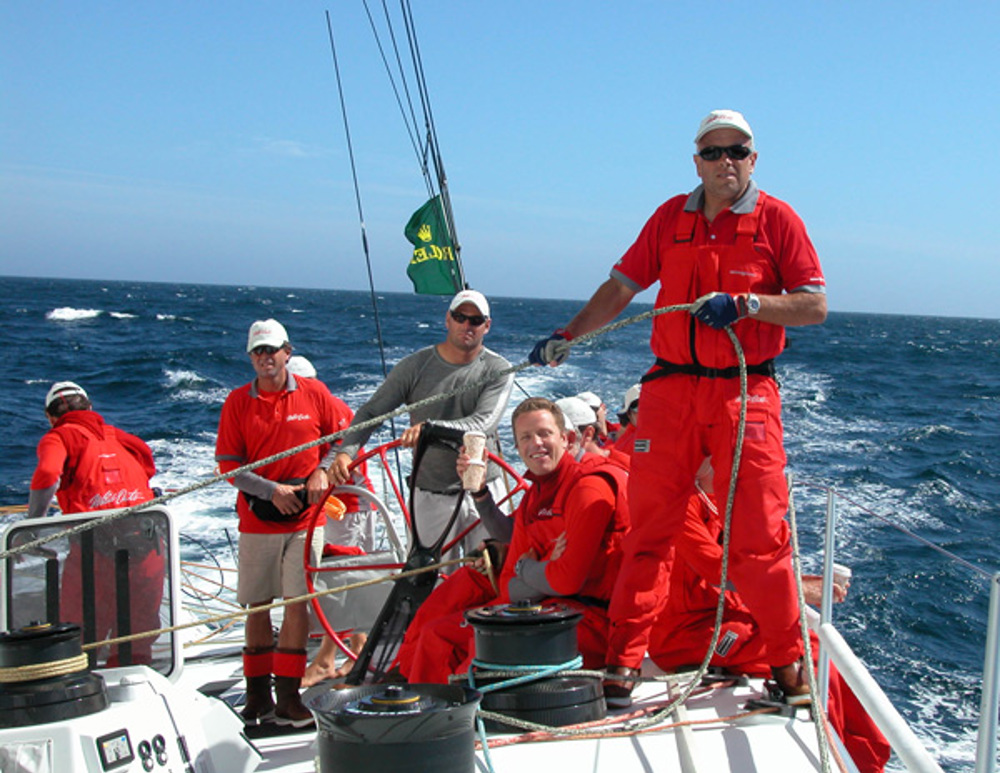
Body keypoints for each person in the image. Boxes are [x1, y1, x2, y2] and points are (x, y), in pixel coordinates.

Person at [528, 109, 827, 706]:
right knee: (649, 532)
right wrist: (570, 334)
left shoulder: (778, 220)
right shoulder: (670, 218)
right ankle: (623, 665)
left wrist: (746, 304)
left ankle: (788, 664)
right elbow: (622, 286)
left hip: (744, 392)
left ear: (753, 159)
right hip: (669, 393)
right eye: (713, 153)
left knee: (759, 538)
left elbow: (814, 305)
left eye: (736, 151)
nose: (725, 162)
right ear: (697, 162)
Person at [397, 398, 629, 683]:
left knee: (480, 654)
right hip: (542, 607)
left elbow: (566, 581)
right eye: (526, 437)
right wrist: (535, 566)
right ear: (517, 448)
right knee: (436, 632)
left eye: (544, 433)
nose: (536, 443)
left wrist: (526, 568)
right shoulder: (536, 495)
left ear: (566, 439)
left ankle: (456, 701)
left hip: (585, 620)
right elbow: (515, 582)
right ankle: (413, 689)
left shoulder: (589, 488)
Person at [215, 319, 354, 727]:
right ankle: (257, 697)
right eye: (258, 351)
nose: (265, 358)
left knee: (298, 605)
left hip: (306, 522)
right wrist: (271, 491)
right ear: (250, 357)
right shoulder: (237, 402)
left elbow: (341, 440)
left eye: (271, 350)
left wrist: (322, 471)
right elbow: (228, 466)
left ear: (287, 352)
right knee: (257, 606)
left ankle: (289, 699)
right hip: (257, 520)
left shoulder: (315, 393)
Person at [329, 289, 514, 564]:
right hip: (430, 493)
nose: (467, 325)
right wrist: (346, 452)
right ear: (447, 319)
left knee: (492, 573)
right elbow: (371, 411)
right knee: (429, 578)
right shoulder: (415, 366)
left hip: (483, 491)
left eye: (475, 320)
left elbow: (483, 423)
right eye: (460, 317)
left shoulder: (498, 369)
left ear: (486, 326)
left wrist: (430, 428)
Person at [28, 381, 164, 666]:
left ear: (50, 418)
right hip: (147, 550)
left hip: (94, 556)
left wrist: (33, 527)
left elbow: (48, 472)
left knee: (81, 636)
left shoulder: (58, 436)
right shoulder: (123, 438)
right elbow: (147, 465)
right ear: (90, 408)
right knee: (137, 635)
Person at [284, 354, 378, 688]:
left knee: (341, 581)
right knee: (342, 579)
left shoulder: (330, 409)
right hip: (333, 506)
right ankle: (354, 649)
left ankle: (329, 658)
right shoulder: (312, 408)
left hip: (347, 506)